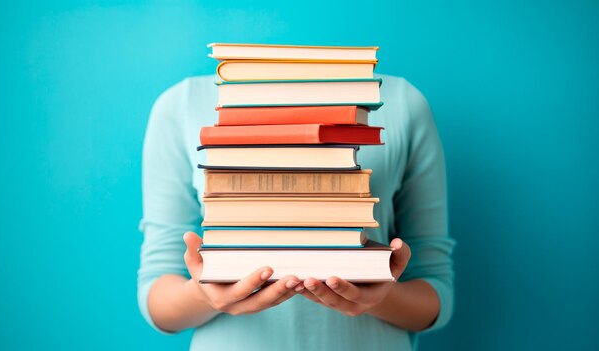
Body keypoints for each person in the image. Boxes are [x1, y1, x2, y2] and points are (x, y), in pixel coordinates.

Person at [138, 74, 455, 350]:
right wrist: (203, 295)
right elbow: (156, 293)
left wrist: (377, 297)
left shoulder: (403, 102)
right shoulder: (181, 104)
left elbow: (436, 291)